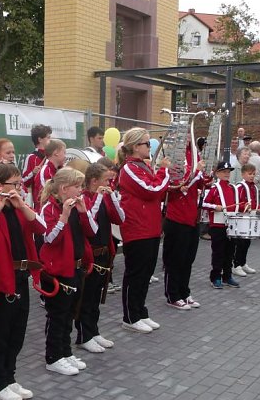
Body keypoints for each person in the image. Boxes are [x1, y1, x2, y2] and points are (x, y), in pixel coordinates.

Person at [0, 163, 45, 400]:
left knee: (17, 332)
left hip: (20, 275)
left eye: (20, 184)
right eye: (14, 184)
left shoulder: (18, 208)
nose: (19, 188)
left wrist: (22, 205)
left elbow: (40, 228)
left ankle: (9, 376)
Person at [38, 167, 96, 374]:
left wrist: (83, 213)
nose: (81, 190)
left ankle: (65, 351)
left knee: (71, 313)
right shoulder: (49, 209)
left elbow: (93, 232)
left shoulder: (79, 205)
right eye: (78, 186)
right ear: (64, 189)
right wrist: (64, 216)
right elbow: (49, 239)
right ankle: (53, 356)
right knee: (58, 315)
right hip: (59, 271)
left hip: (77, 268)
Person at [116, 128, 170, 333]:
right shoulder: (129, 168)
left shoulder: (142, 166)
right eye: (147, 144)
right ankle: (130, 316)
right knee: (135, 273)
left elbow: (157, 188)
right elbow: (152, 190)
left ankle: (140, 311)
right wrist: (164, 172)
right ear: (135, 147)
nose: (150, 147)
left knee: (145, 273)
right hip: (137, 229)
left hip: (151, 228)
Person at [75, 162, 124, 351]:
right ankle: (84, 335)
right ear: (94, 181)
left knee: (96, 298)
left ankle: (93, 331)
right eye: (106, 181)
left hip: (105, 253)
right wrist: (99, 197)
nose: (109, 184)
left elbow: (120, 219)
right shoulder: (84, 198)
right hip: (90, 255)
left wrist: (113, 199)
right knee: (86, 298)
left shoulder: (104, 197)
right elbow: (89, 222)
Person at [162, 157, 205, 310]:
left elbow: (203, 182)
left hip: (192, 219)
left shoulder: (193, 162)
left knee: (188, 259)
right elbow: (180, 184)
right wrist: (197, 171)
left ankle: (184, 292)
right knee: (175, 260)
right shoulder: (174, 167)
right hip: (177, 219)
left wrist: (205, 172)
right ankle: (172, 295)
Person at [203, 161, 239, 289]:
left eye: (228, 172)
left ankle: (227, 276)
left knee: (230, 252)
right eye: (224, 171)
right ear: (217, 173)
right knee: (218, 253)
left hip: (231, 225)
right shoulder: (214, 188)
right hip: (217, 226)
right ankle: (216, 277)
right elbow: (203, 203)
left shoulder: (232, 188)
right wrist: (215, 206)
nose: (227, 174)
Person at [232, 162, 260, 278]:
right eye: (249, 174)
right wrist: (245, 207)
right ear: (243, 174)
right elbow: (237, 203)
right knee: (240, 242)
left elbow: (253, 201)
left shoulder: (253, 187)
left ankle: (243, 263)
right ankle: (236, 265)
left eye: (253, 174)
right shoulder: (240, 187)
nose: (252, 176)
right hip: (242, 217)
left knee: (247, 242)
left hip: (251, 217)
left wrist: (258, 207)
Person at [32, 138, 66, 212]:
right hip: (46, 212)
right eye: (64, 152)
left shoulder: (59, 169)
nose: (65, 156)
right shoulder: (45, 171)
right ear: (56, 153)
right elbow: (49, 193)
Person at [21, 124, 51, 196]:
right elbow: (24, 182)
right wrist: (32, 173)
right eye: (48, 138)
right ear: (40, 139)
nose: (51, 140)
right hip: (38, 200)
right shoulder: (32, 157)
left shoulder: (52, 156)